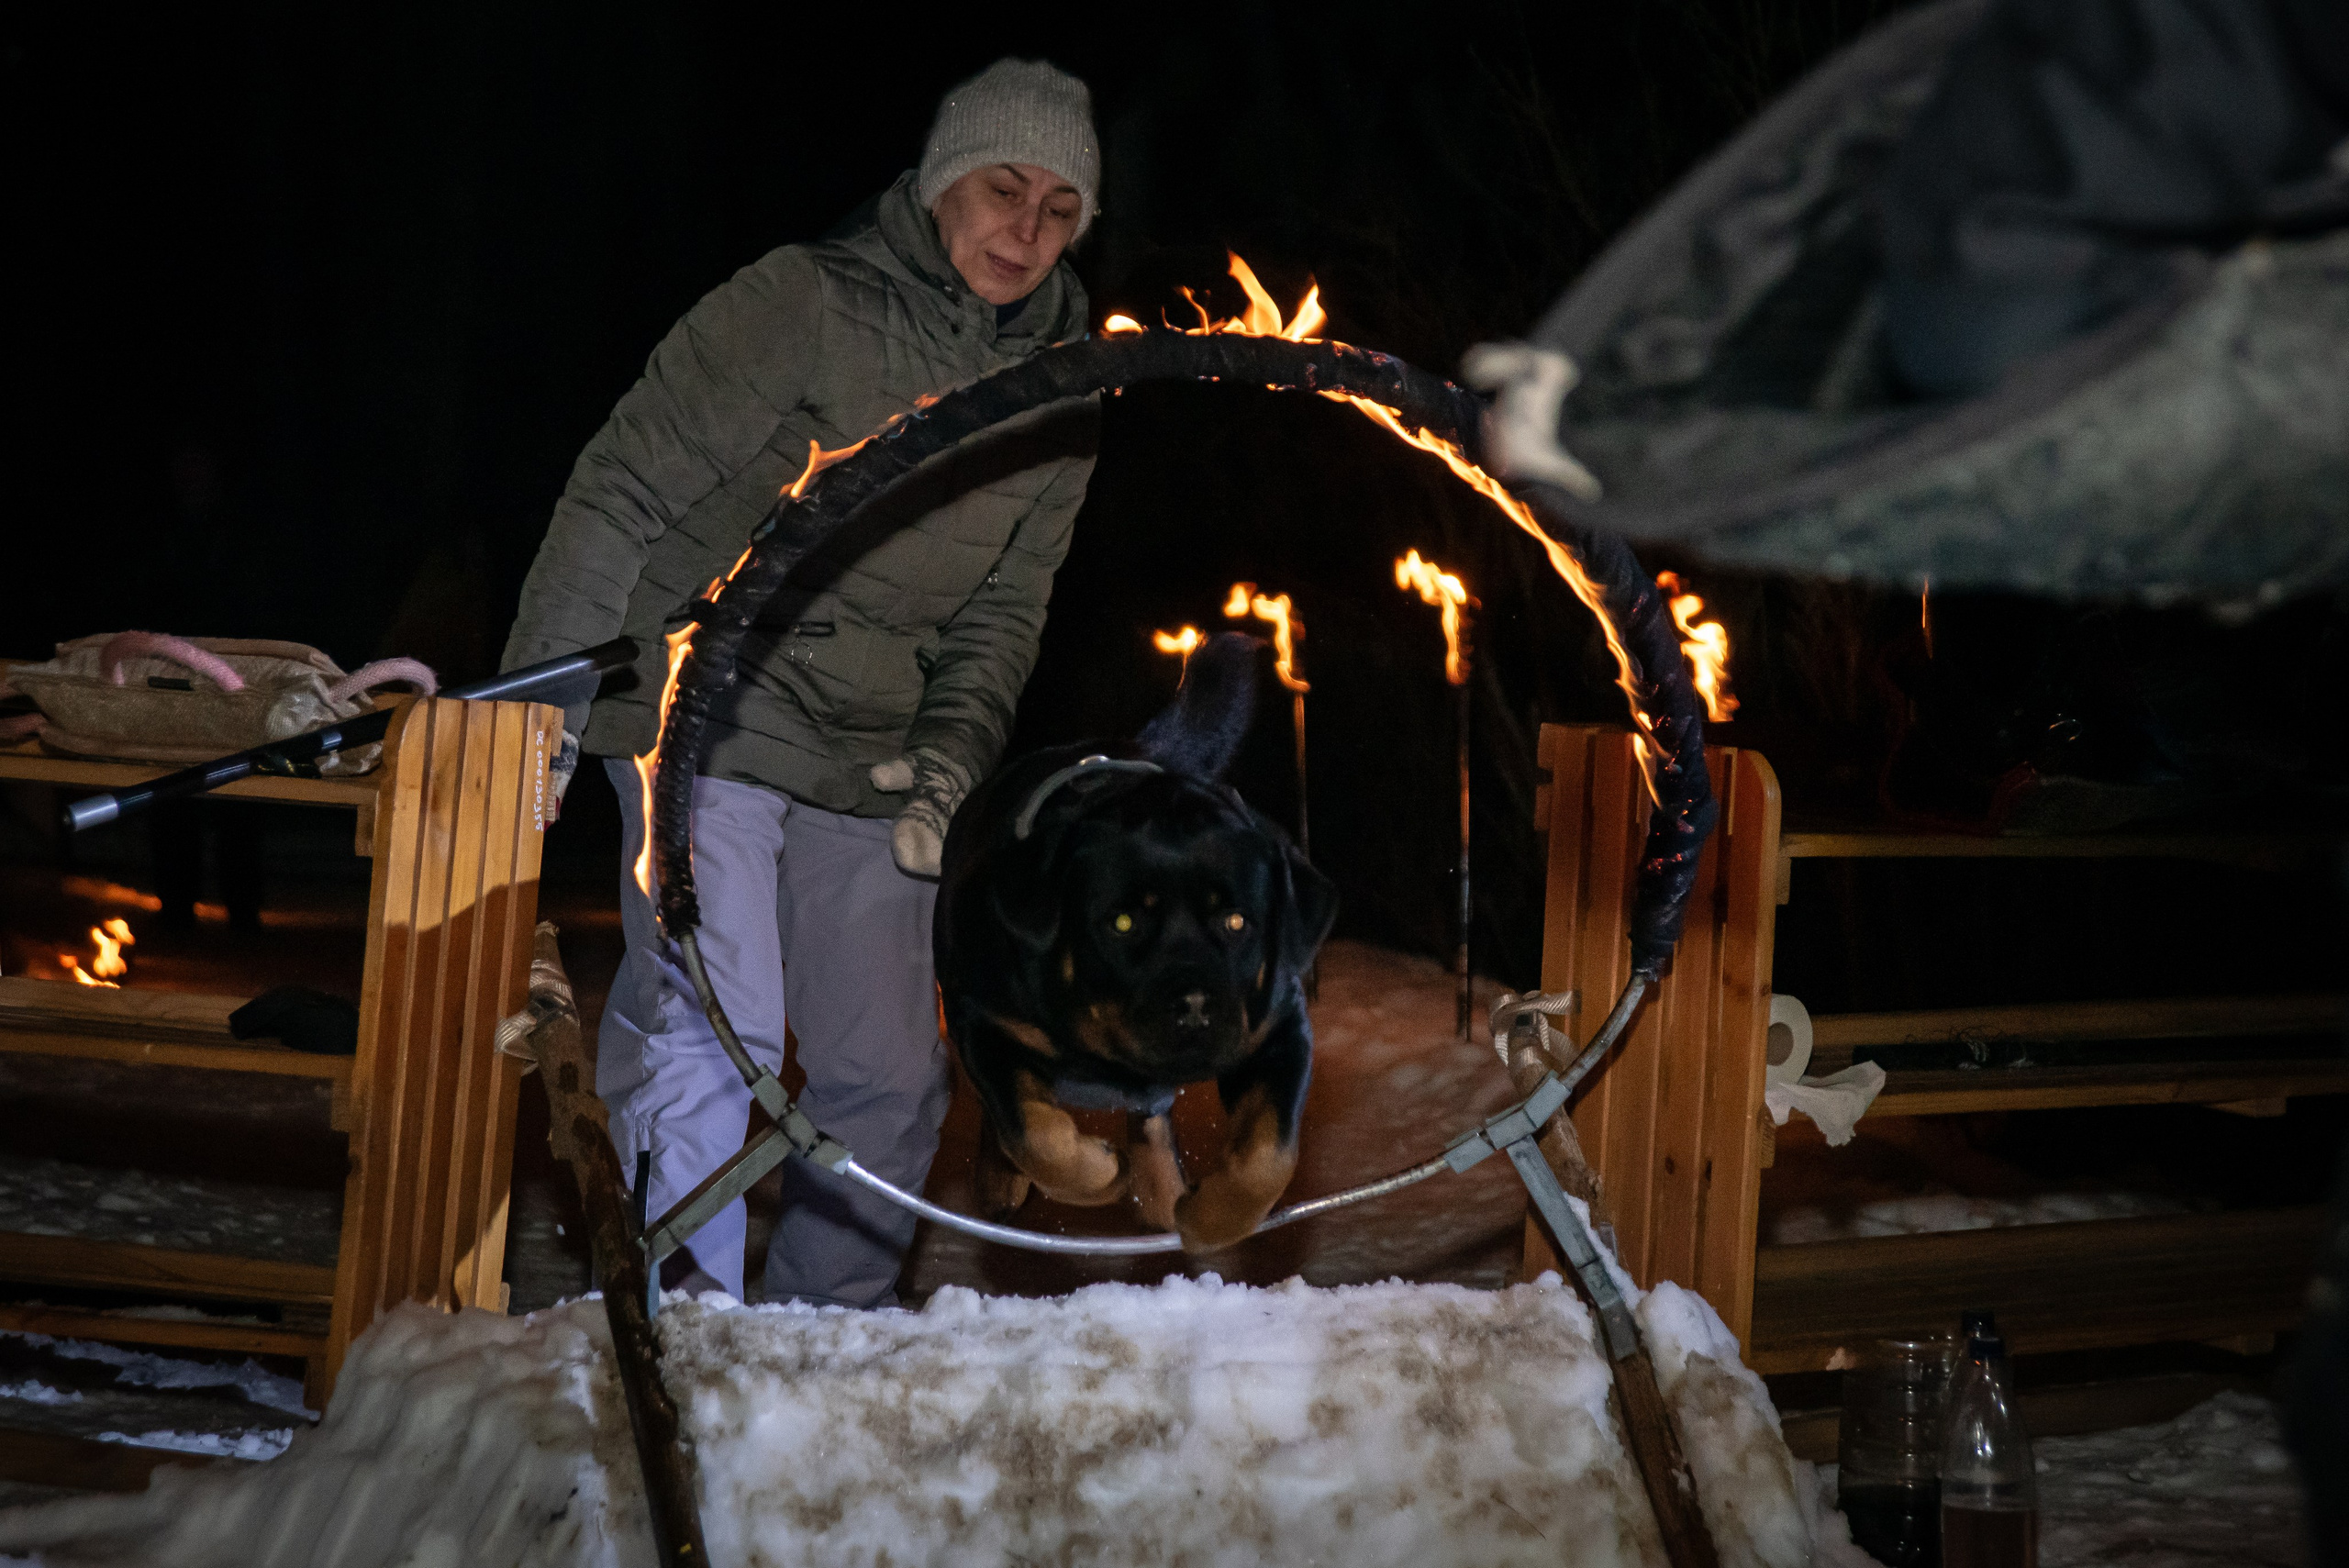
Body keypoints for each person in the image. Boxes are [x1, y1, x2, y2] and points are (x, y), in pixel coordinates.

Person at [500, 59, 1102, 1306]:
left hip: (872, 745)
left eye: (1060, 207)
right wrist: (534, 713)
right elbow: (624, 486)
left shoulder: (1072, 385)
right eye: (1003, 189)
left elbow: (1004, 610)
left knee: (887, 1075)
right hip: (705, 707)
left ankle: (817, 1356)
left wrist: (948, 762)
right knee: (720, 1029)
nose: (1026, 230)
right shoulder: (802, 303)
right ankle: (677, 1336)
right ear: (943, 183)